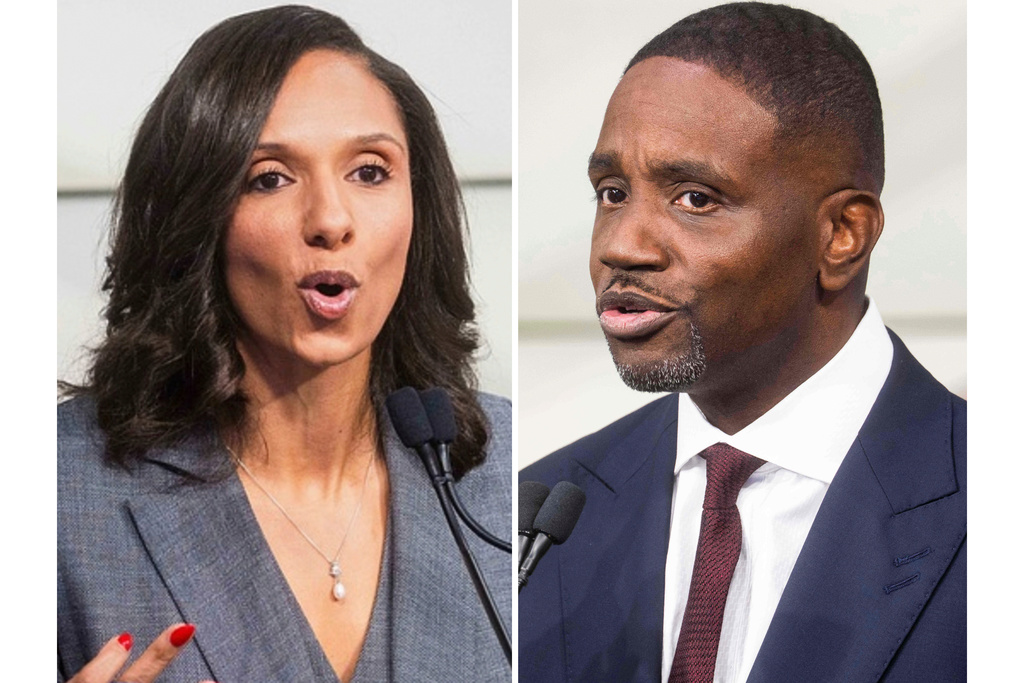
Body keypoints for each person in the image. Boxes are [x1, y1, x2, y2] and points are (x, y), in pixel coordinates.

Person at [58, 6, 511, 682]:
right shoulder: (53, 489)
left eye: (369, 171)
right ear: (196, 216)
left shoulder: (512, 473)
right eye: (270, 177)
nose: (331, 219)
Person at [518, 3, 965, 682]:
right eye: (611, 192)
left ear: (842, 234)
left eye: (695, 199)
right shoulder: (538, 518)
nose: (620, 245)